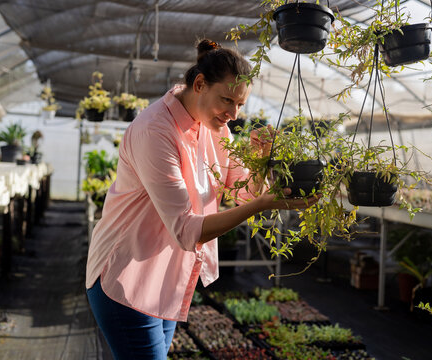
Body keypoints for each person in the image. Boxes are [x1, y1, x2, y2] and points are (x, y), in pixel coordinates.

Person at [85, 39, 320, 360]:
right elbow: (186, 230)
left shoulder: (214, 126)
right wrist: (266, 203)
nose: (234, 114)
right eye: (227, 100)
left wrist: (257, 158)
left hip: (167, 278)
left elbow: (242, 193)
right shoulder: (155, 130)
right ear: (199, 85)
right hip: (127, 276)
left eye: (240, 105)